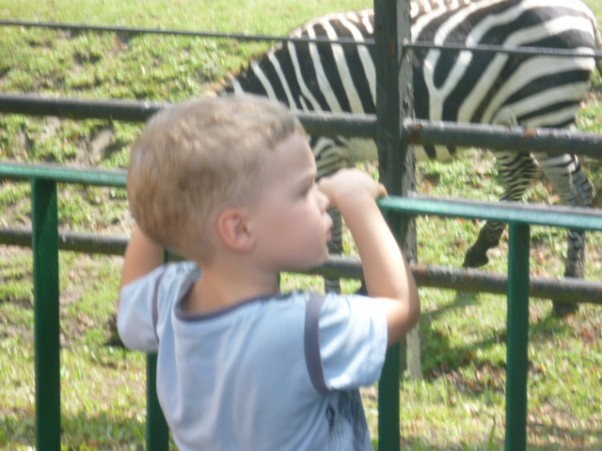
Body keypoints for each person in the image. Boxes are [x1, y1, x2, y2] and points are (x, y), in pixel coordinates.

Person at [117, 94, 420, 451]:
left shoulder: (169, 302)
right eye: (305, 189)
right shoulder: (304, 328)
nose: (323, 198)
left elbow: (132, 293)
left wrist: (164, 206)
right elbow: (401, 306)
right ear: (240, 230)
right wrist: (358, 201)